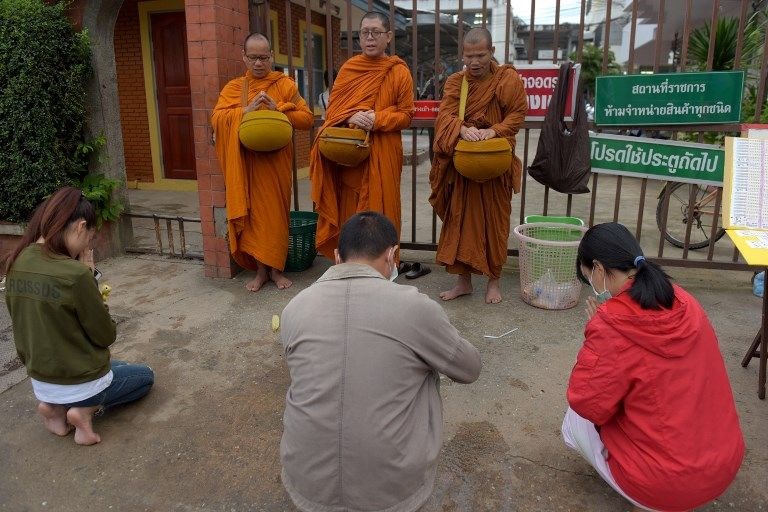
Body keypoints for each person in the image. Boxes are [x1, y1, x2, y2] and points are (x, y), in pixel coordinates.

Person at [280, 211, 481, 512]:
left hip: (308, 486)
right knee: (425, 367)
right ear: (391, 255)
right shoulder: (415, 308)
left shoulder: (295, 308)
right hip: (392, 492)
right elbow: (470, 368)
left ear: (337, 258)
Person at [562, 222, 745, 512]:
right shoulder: (684, 299)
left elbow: (588, 404)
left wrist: (595, 335)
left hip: (666, 483)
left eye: (588, 278)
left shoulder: (611, 323)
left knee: (574, 419)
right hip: (723, 465)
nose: (593, 288)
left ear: (598, 268)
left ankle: (648, 498)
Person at [2, 187, 154, 446]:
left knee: (120, 366)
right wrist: (90, 276)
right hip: (80, 381)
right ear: (81, 226)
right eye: (89, 239)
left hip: (41, 381)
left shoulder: (17, 260)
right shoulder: (76, 274)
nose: (87, 248)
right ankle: (84, 411)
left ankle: (54, 410)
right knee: (144, 376)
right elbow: (105, 335)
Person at [428, 28, 527, 304]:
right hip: (464, 167)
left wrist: (493, 131)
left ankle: (494, 281)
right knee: (460, 222)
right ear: (463, 55)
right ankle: (464, 282)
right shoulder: (455, 82)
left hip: (495, 164)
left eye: (481, 55)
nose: (475, 62)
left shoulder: (507, 79)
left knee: (495, 223)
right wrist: (462, 129)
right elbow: (445, 116)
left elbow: (517, 114)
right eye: (469, 56)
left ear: (492, 52)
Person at [211, 33, 314, 292]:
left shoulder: (285, 85)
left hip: (276, 165)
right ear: (244, 57)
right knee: (254, 218)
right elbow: (217, 119)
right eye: (253, 57)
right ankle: (260, 271)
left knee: (276, 217)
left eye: (264, 57)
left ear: (272, 57)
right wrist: (244, 111)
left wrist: (280, 108)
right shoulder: (234, 88)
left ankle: (276, 270)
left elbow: (306, 119)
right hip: (248, 166)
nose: (259, 63)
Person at [310, 12, 414, 261]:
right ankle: (350, 265)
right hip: (352, 156)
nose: (370, 38)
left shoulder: (399, 72)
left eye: (376, 32)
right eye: (364, 33)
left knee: (382, 213)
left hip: (384, 152)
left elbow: (406, 115)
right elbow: (333, 112)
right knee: (351, 214)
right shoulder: (349, 69)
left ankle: (384, 267)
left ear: (388, 36)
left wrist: (378, 119)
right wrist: (351, 116)